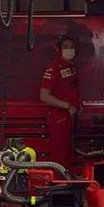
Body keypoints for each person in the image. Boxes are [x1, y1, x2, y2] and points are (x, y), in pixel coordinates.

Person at [40, 35, 80, 168]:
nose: (70, 50)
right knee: (59, 153)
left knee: (68, 152)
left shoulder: (71, 67)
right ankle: (59, 184)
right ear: (59, 50)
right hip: (58, 117)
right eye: (66, 47)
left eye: (72, 47)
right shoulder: (54, 68)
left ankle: (67, 182)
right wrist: (67, 106)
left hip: (69, 117)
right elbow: (44, 95)